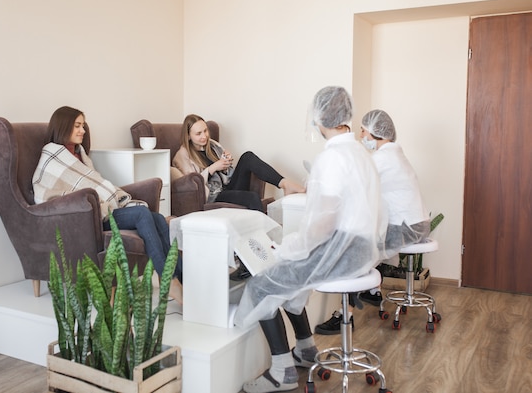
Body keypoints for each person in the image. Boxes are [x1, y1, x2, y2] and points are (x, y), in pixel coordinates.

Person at [233, 86, 382, 393]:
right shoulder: (360, 152)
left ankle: (282, 371)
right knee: (290, 276)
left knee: (263, 284)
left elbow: (321, 228)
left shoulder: (332, 159)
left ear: (320, 118)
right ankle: (305, 350)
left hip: (342, 254)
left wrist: (288, 247)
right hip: (362, 251)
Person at [32, 106, 183, 302]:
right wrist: (95, 203)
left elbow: (93, 183)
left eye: (83, 126)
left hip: (99, 210)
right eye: (77, 126)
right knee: (141, 214)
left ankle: (179, 277)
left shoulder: (80, 155)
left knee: (157, 218)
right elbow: (46, 194)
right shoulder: (52, 156)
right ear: (63, 126)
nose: (83, 131)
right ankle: (168, 281)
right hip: (84, 218)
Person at [315, 109, 430, 335]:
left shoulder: (383, 158)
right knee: (368, 237)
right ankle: (373, 291)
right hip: (418, 224)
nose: (360, 135)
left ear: (375, 132)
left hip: (407, 228)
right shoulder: (394, 154)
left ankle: (344, 316)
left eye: (363, 130)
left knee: (355, 251)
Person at [172, 114, 305, 212]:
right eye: (198, 133)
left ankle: (285, 183)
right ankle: (262, 237)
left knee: (248, 157)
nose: (204, 136)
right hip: (215, 196)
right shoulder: (183, 155)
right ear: (188, 136)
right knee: (252, 197)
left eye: (205, 131)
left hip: (228, 187)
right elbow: (191, 186)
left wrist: (226, 162)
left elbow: (227, 174)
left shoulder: (212, 146)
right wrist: (213, 168)